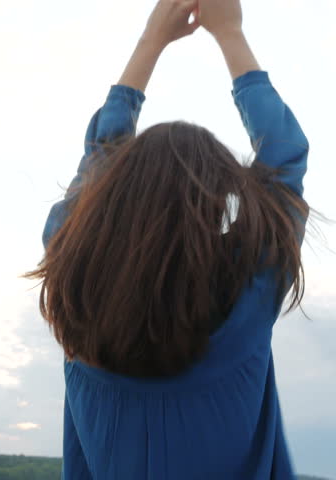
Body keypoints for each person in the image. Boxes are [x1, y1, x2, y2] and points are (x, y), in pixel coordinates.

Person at [25, 0, 311, 478]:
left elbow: (99, 156)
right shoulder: (251, 289)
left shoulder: (74, 287)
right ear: (220, 206)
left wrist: (149, 43)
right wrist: (230, 34)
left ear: (110, 200)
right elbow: (284, 155)